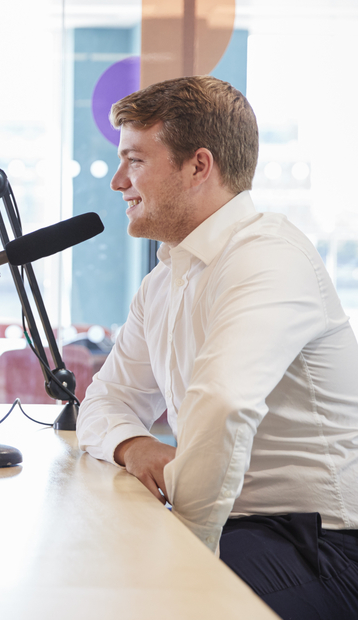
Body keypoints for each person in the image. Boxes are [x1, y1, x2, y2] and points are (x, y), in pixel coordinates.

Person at [76, 76, 358, 618]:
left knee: (139, 601)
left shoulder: (269, 257)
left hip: (327, 545)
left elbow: (223, 401)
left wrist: (187, 554)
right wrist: (133, 445)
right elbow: (106, 401)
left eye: (134, 160)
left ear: (199, 166)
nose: (117, 181)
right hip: (244, 527)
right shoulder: (164, 280)